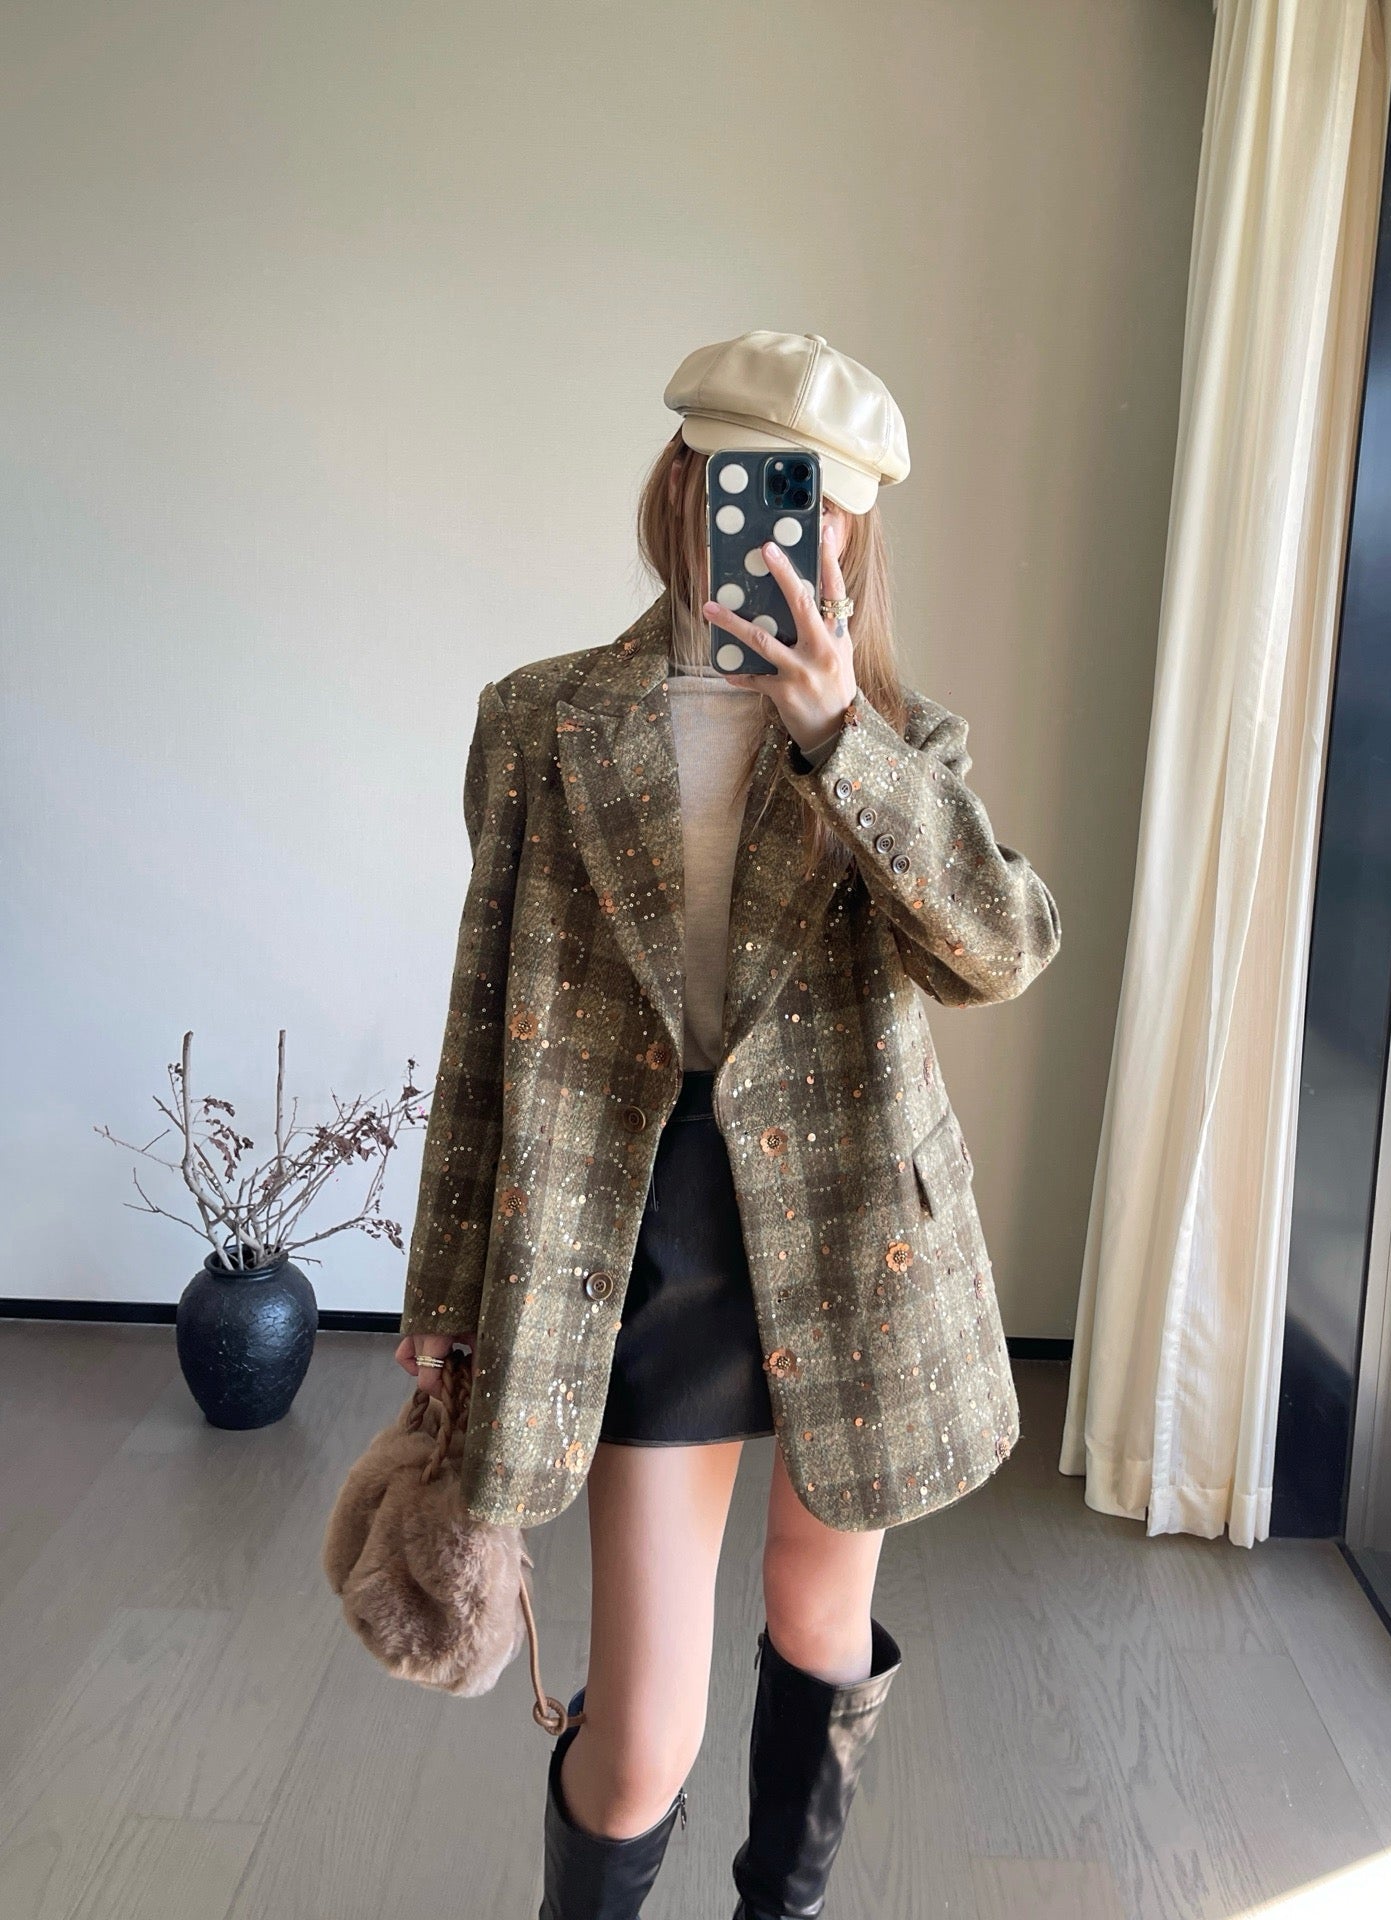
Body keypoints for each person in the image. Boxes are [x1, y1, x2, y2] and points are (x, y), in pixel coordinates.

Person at [394, 328, 1061, 1920]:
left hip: (855, 1230)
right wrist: (445, 1290)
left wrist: (841, 740)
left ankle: (782, 1907)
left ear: (853, 533)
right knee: (641, 1739)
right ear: (679, 483)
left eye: (809, 503)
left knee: (819, 1621)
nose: (768, 527)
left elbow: (1001, 946)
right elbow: (484, 1019)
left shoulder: (903, 746)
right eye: (738, 481)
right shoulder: (542, 721)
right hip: (635, 1229)